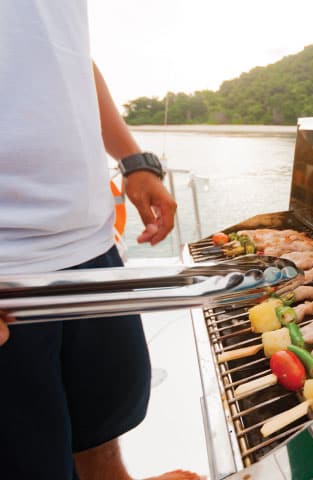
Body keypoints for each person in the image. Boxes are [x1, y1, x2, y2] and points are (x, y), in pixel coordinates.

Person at [0, 2, 200, 479]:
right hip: (9, 276)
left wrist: (134, 160)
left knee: (100, 438)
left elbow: (67, 58)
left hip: (92, 249)